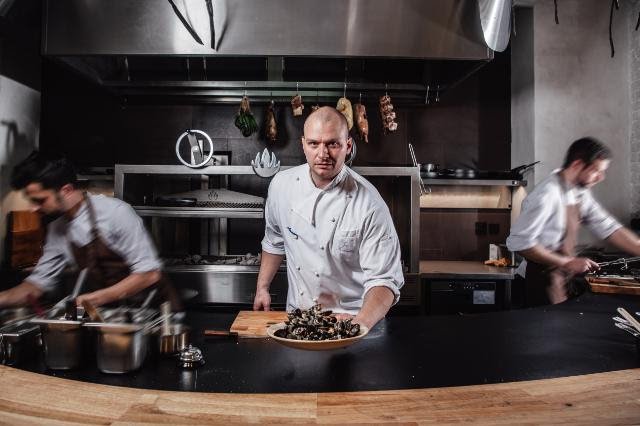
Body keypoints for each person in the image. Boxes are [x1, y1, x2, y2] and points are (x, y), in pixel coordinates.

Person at [252, 107, 404, 329]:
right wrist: (262, 288)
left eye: (332, 144)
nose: (322, 154)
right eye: (314, 144)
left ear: (348, 146)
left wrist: (358, 325)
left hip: (354, 319)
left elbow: (385, 281)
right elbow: (274, 241)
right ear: (303, 144)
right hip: (299, 322)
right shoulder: (281, 186)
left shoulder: (369, 204)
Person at [0, 151, 181, 310]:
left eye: (40, 200)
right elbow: (36, 286)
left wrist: (96, 298)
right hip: (115, 316)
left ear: (67, 190)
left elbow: (149, 274)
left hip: (156, 313)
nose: (33, 209)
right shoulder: (57, 229)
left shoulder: (115, 212)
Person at [507, 137, 640, 306]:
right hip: (542, 283)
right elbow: (520, 243)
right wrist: (568, 262)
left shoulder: (578, 191)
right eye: (596, 171)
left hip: (563, 278)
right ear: (577, 165)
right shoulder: (547, 195)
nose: (601, 177)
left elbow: (608, 227)